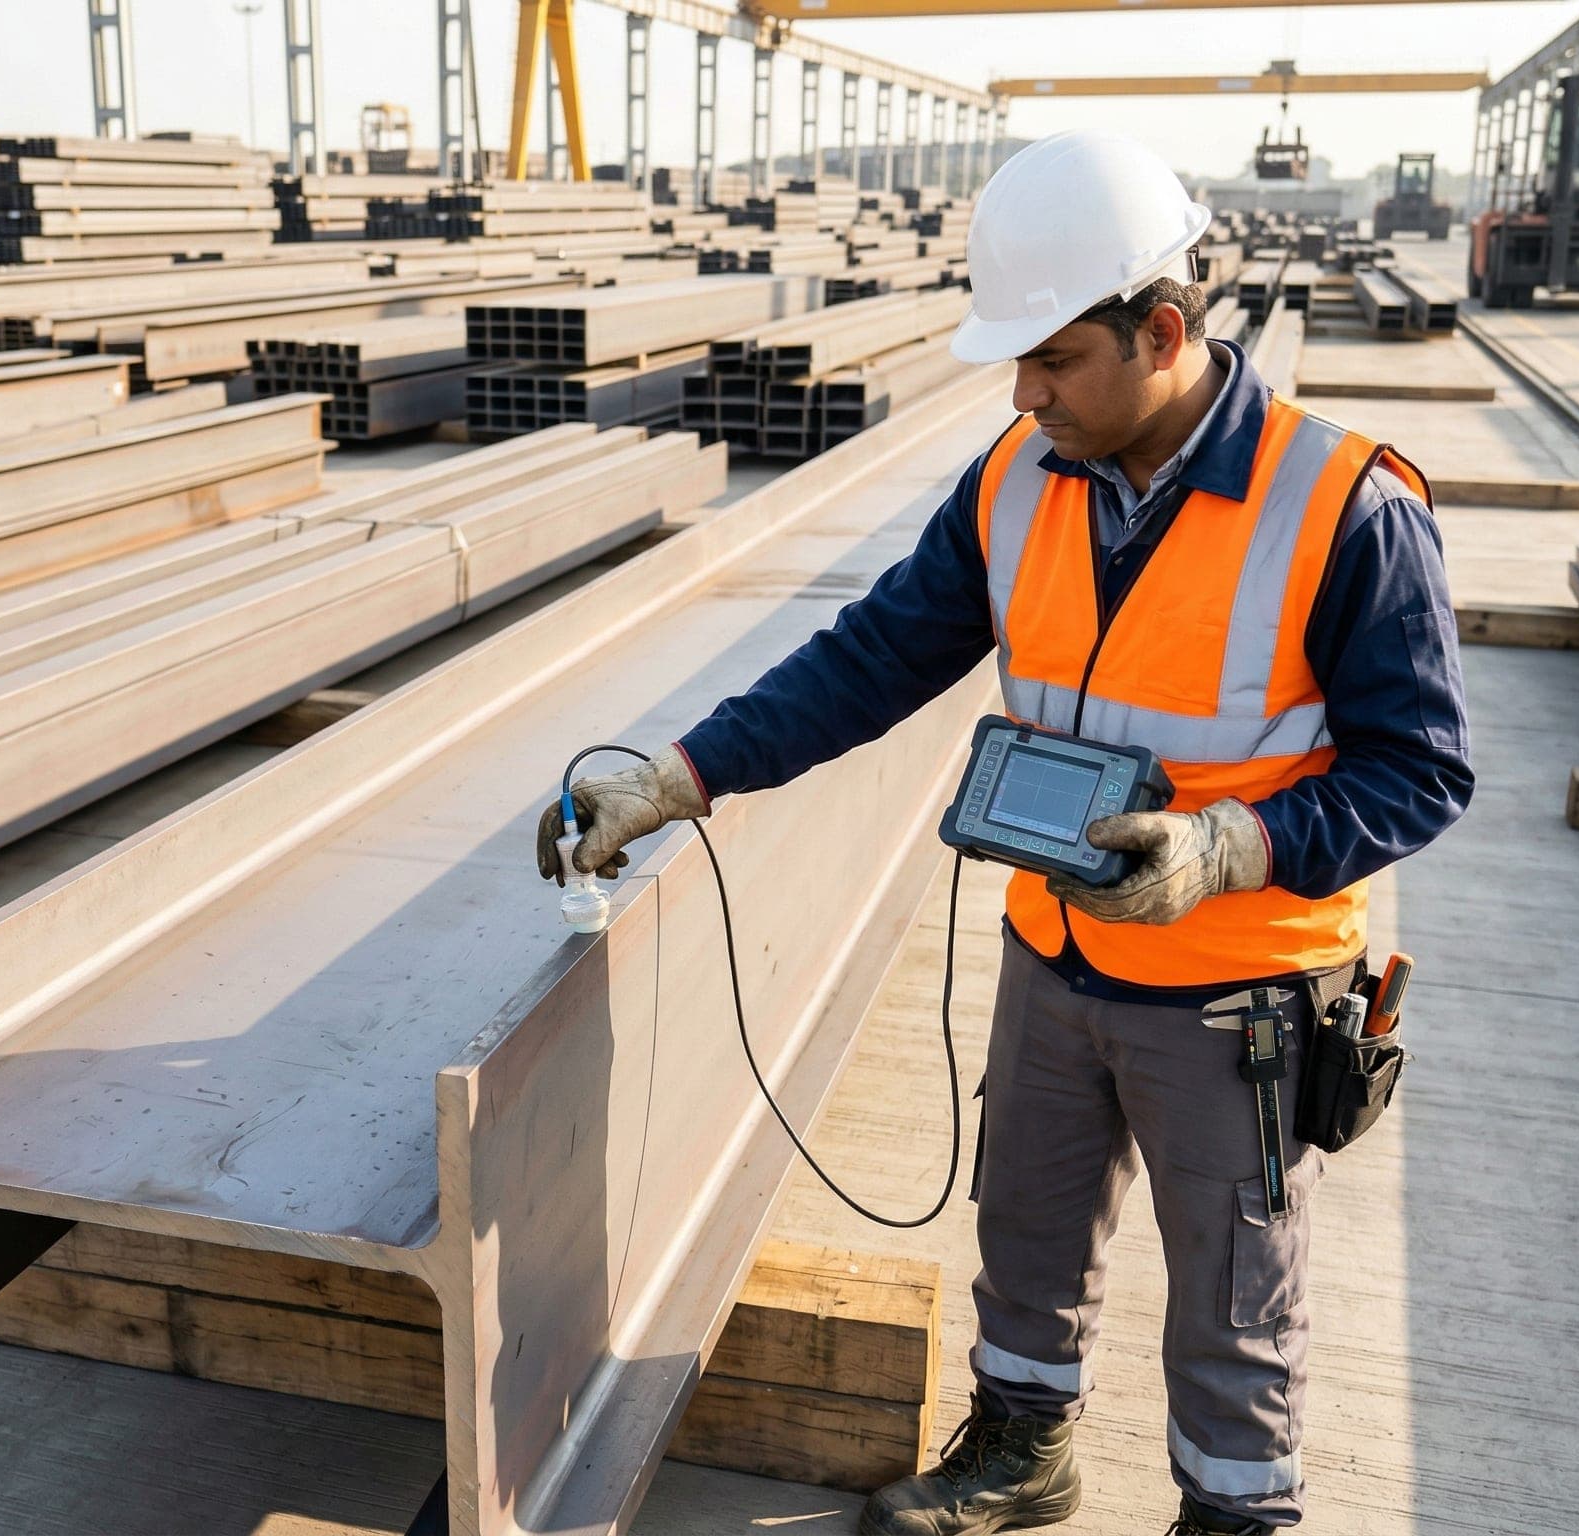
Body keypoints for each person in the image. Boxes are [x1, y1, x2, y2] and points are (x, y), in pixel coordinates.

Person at [535, 130, 1471, 1535]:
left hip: (1240, 994)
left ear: (1163, 333)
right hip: (1056, 950)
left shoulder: (1345, 507)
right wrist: (680, 774)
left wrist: (1230, 849)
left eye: (1054, 360)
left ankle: (1233, 1516)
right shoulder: (1018, 480)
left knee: (1235, 1291)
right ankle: (1024, 1452)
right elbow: (872, 657)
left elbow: (1423, 771)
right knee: (1026, 1228)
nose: (1024, 394)